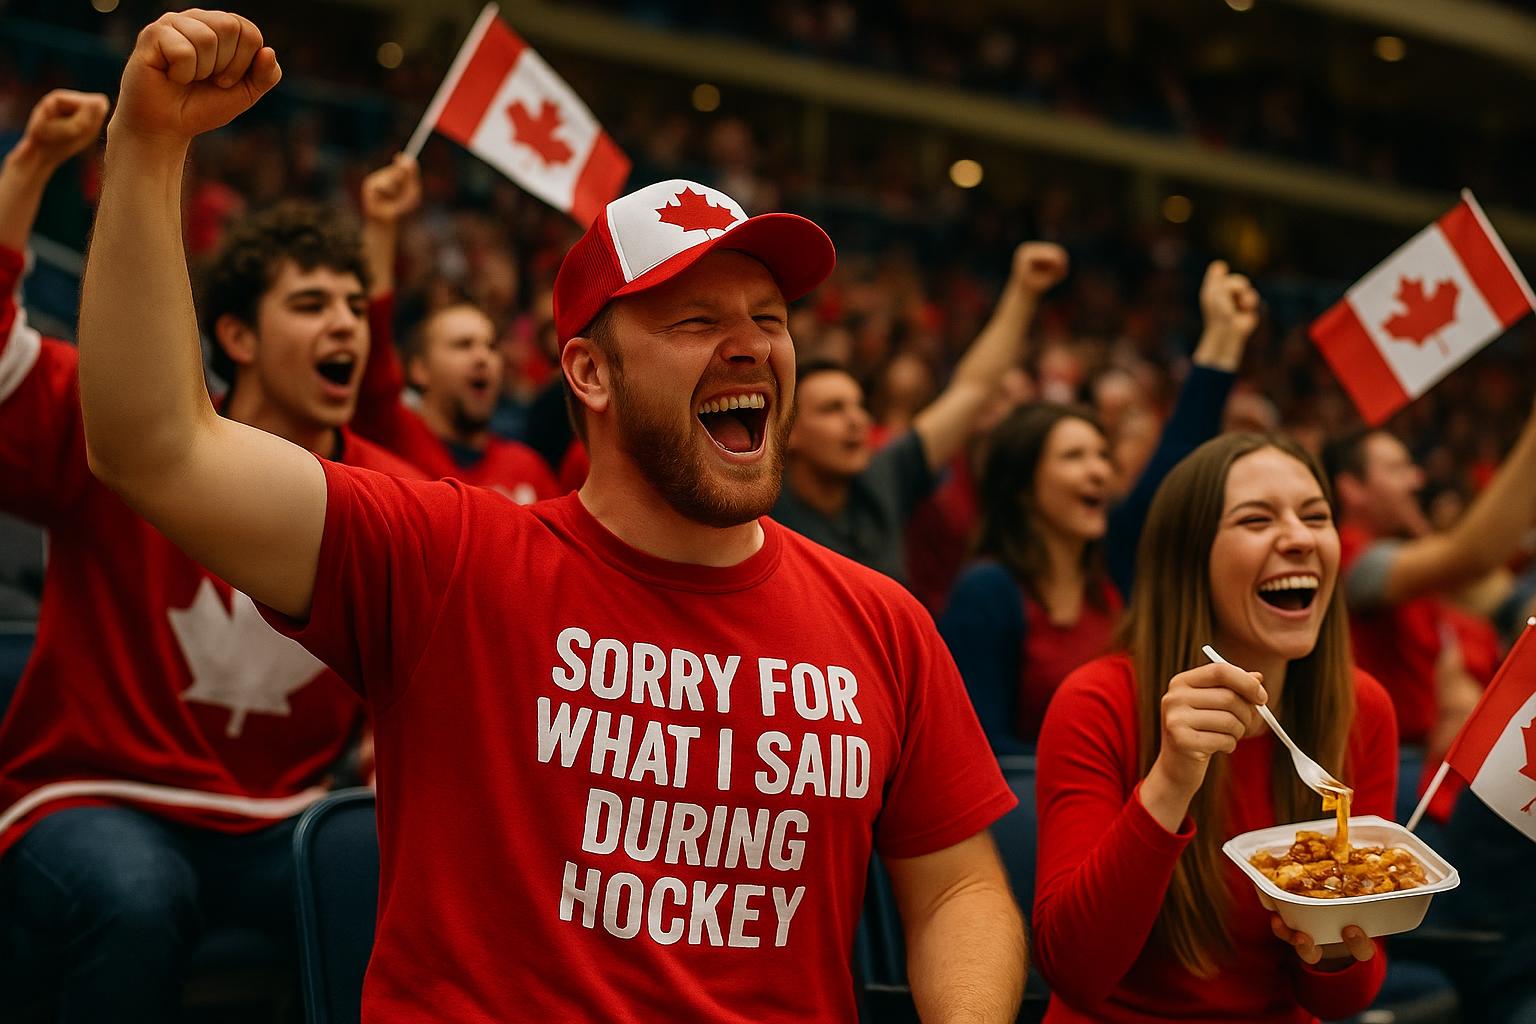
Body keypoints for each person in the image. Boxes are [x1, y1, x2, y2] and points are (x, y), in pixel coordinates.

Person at [78, 13, 1023, 1022]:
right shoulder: (448, 560)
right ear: (588, 372)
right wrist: (149, 145)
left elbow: (960, 888)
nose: (751, 346)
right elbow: (153, 444)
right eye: (697, 320)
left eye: (772, 319)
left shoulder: (883, 623)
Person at [0, 87, 420, 1022]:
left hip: (284, 817)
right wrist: (28, 171)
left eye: (356, 305)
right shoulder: (128, 419)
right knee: (134, 898)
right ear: (235, 337)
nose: (346, 324)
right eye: (311, 304)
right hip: (97, 795)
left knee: (417, 880)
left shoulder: (391, 491)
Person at [1031, 433, 1397, 1022]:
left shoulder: (1363, 708)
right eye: (1257, 520)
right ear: (1189, 556)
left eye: (1315, 517)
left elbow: (1348, 996)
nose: (1299, 539)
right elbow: (1073, 969)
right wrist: (1171, 780)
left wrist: (1331, 949)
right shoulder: (1097, 702)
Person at [940, 262, 1259, 750]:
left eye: (1102, 456)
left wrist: (1223, 338)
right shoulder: (988, 592)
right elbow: (976, 751)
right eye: (1074, 457)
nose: (1099, 472)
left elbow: (1176, 461)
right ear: (1023, 486)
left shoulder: (1113, 568)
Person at [771, 241, 1068, 584]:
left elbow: (972, 389)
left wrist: (1023, 290)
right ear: (787, 432)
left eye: (860, 406)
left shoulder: (882, 477)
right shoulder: (761, 513)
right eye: (832, 409)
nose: (858, 421)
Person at [351, 154, 558, 502]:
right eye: (463, 345)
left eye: (490, 346)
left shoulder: (528, 468)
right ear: (418, 370)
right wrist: (382, 226)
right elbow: (369, 336)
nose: (483, 357)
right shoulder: (390, 435)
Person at [1322, 417, 1536, 750]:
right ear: (1351, 488)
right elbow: (1472, 557)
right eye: (1397, 469)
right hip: (1405, 764)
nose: (1416, 479)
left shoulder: (1407, 559)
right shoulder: (1349, 560)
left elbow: (1494, 593)